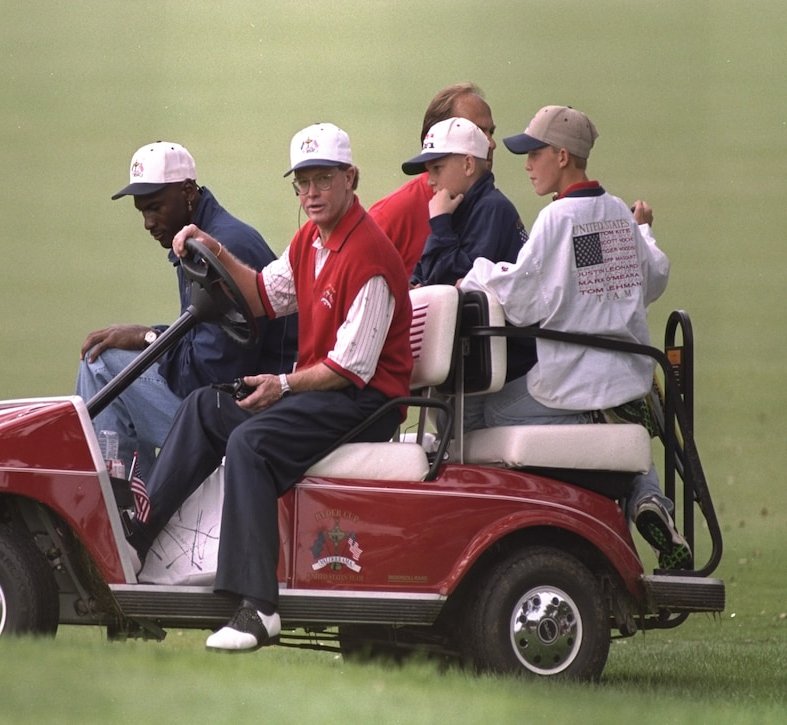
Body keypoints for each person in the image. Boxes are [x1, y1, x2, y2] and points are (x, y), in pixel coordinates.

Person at [126, 123, 413, 651]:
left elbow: (352, 367)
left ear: (351, 178)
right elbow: (261, 294)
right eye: (302, 183)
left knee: (251, 444)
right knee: (205, 406)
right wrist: (213, 247)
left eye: (323, 180)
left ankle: (258, 607)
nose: (311, 194)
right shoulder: (311, 241)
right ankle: (135, 539)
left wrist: (282, 384)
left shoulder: (369, 255)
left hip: (367, 401)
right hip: (326, 390)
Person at [459, 105, 692, 571]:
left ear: (562, 157)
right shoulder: (616, 215)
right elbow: (653, 278)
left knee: (481, 408)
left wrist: (479, 271)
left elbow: (523, 299)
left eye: (535, 153)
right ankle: (648, 497)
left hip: (573, 385)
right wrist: (644, 228)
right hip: (629, 380)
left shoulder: (556, 220)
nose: (526, 164)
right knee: (620, 425)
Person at [76, 141, 297, 479]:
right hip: (239, 397)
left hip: (242, 413)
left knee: (100, 365)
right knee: (111, 356)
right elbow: (204, 344)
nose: (148, 223)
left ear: (188, 191)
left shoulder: (221, 248)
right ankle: (139, 496)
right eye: (142, 211)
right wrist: (149, 338)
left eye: (155, 207)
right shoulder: (209, 235)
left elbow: (209, 378)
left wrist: (150, 339)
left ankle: (127, 507)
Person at [400, 116, 535, 395]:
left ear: (468, 164)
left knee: (464, 431)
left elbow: (455, 287)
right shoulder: (457, 209)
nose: (430, 181)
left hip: (506, 376)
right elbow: (424, 274)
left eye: (437, 168)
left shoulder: (492, 209)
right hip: (477, 368)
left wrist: (439, 226)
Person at [369, 82, 498, 277]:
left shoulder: (490, 207)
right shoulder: (391, 215)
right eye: (477, 132)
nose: (491, 143)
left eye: (491, 132)